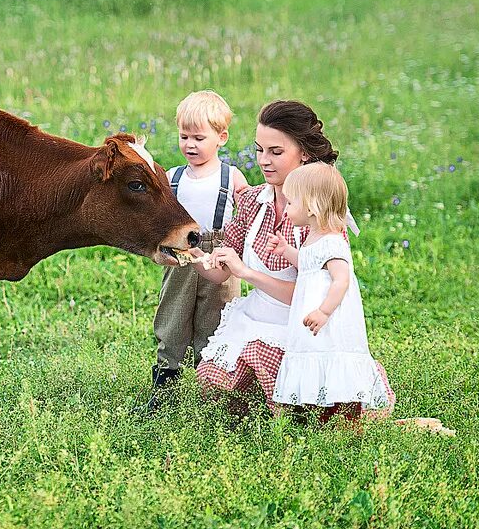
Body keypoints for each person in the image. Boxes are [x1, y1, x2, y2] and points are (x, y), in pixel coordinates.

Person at [191, 100, 344, 412]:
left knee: (302, 409)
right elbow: (220, 272)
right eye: (259, 150)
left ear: (304, 153)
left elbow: (309, 295)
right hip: (255, 318)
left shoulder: (319, 214)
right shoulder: (252, 201)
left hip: (302, 326)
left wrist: (247, 273)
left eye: (276, 152)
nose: (263, 161)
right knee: (212, 388)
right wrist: (192, 256)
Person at [139, 91, 248, 412]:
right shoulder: (171, 178)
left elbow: (246, 216)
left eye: (199, 138)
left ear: (221, 138)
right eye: (184, 136)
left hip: (220, 255)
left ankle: (212, 387)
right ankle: (165, 386)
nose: (190, 144)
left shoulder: (232, 177)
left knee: (216, 319)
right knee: (173, 315)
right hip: (181, 255)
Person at [268, 163, 393, 424]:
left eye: (291, 202)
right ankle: (320, 416)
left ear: (311, 207)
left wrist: (324, 311)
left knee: (333, 363)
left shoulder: (333, 242)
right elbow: (308, 265)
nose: (286, 208)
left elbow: (341, 280)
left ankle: (345, 421)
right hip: (313, 324)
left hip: (330, 323)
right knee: (316, 361)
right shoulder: (313, 239)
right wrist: (287, 250)